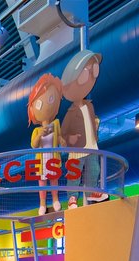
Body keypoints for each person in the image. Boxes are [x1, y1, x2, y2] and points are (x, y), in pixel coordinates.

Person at [61, 50, 108, 205]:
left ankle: (92, 191)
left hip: (91, 147)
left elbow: (91, 124)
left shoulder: (89, 107)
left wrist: (95, 127)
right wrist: (70, 138)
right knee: (74, 173)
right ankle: (72, 198)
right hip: (77, 150)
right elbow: (63, 133)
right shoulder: (71, 112)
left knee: (94, 170)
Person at [27, 73, 64, 215]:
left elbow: (61, 140)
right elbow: (33, 145)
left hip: (53, 159)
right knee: (42, 183)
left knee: (54, 181)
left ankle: (55, 200)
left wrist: (62, 140)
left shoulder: (56, 126)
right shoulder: (36, 130)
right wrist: (40, 135)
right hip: (41, 161)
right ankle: (42, 203)